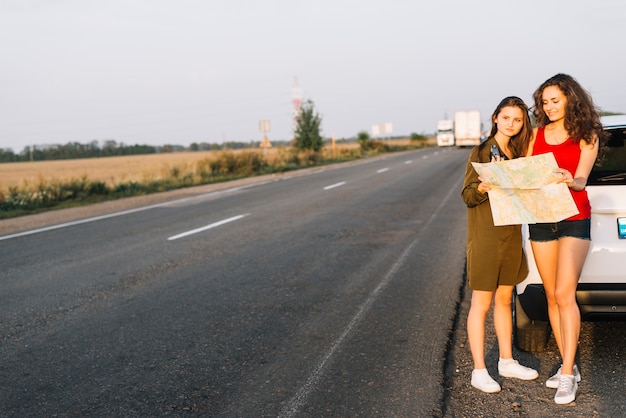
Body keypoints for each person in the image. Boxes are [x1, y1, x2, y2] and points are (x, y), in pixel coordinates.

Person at [527, 73, 605, 405]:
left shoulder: (586, 135)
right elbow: (527, 172)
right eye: (544, 102)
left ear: (571, 98)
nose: (549, 106)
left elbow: (582, 179)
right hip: (541, 219)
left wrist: (570, 179)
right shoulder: (535, 134)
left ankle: (568, 373)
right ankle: (567, 365)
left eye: (555, 100)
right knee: (550, 296)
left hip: (574, 216)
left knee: (564, 293)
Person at [461, 96, 538, 393]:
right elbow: (467, 195)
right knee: (481, 304)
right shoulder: (481, 152)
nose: (512, 124)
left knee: (505, 300)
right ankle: (479, 370)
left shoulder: (517, 154)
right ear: (495, 117)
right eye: (506, 118)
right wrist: (482, 186)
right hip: (486, 237)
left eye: (518, 120)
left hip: (510, 236)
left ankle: (507, 360)